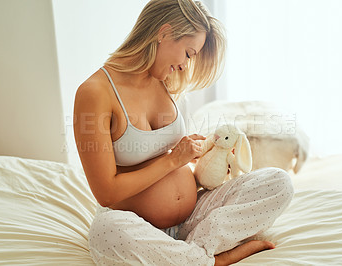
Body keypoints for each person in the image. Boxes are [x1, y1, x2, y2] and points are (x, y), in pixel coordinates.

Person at [73, 0, 294, 265]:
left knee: (278, 183)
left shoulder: (165, 81)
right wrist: (174, 159)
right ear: (164, 32)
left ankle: (192, 253)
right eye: (189, 53)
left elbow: (172, 162)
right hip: (138, 227)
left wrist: (203, 162)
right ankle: (211, 260)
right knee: (105, 232)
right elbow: (106, 192)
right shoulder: (95, 92)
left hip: (193, 222)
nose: (185, 65)